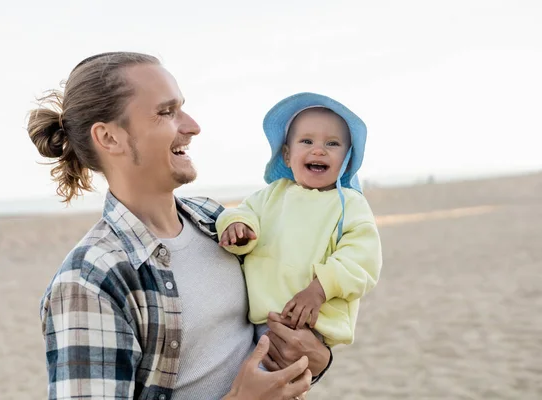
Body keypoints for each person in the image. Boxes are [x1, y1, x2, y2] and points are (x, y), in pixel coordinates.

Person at [27, 52, 332, 400]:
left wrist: (317, 360)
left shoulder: (217, 222)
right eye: (166, 112)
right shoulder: (90, 280)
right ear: (110, 138)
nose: (192, 126)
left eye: (181, 108)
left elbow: (279, 357)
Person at [217, 93, 383, 364]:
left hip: (311, 325)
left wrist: (318, 290)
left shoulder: (349, 204)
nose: (319, 150)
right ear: (286, 154)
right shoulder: (271, 195)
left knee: (271, 381)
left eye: (332, 143)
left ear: (347, 159)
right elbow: (241, 212)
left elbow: (362, 258)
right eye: (306, 141)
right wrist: (237, 225)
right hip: (260, 320)